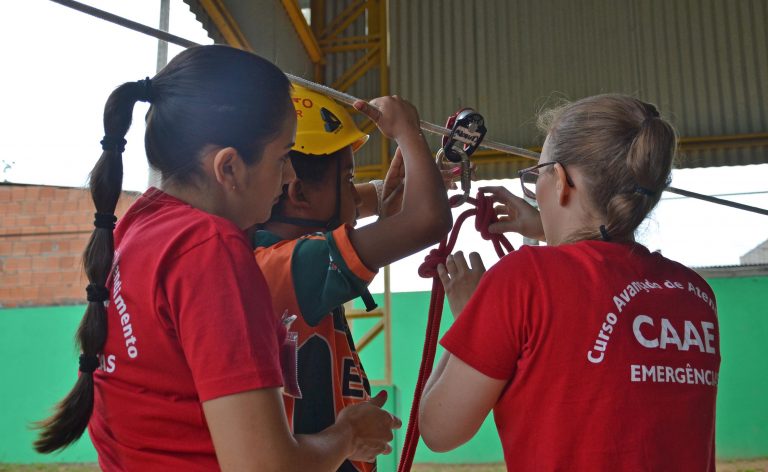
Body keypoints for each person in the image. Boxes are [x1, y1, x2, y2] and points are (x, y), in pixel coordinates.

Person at [33, 45, 401, 471]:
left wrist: (380, 194)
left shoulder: (144, 225)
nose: (290, 177)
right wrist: (349, 434)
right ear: (228, 169)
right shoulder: (210, 250)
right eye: (283, 158)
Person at [418, 94, 720, 471]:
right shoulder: (693, 294)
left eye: (537, 175)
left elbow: (438, 429)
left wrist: (469, 314)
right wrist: (549, 227)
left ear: (560, 181)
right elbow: (601, 277)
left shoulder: (521, 281)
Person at [252, 86, 453, 471]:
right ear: (298, 194)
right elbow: (428, 220)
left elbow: (383, 213)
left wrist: (389, 209)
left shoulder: (278, 258)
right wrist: (408, 133)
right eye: (348, 179)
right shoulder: (292, 264)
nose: (355, 193)